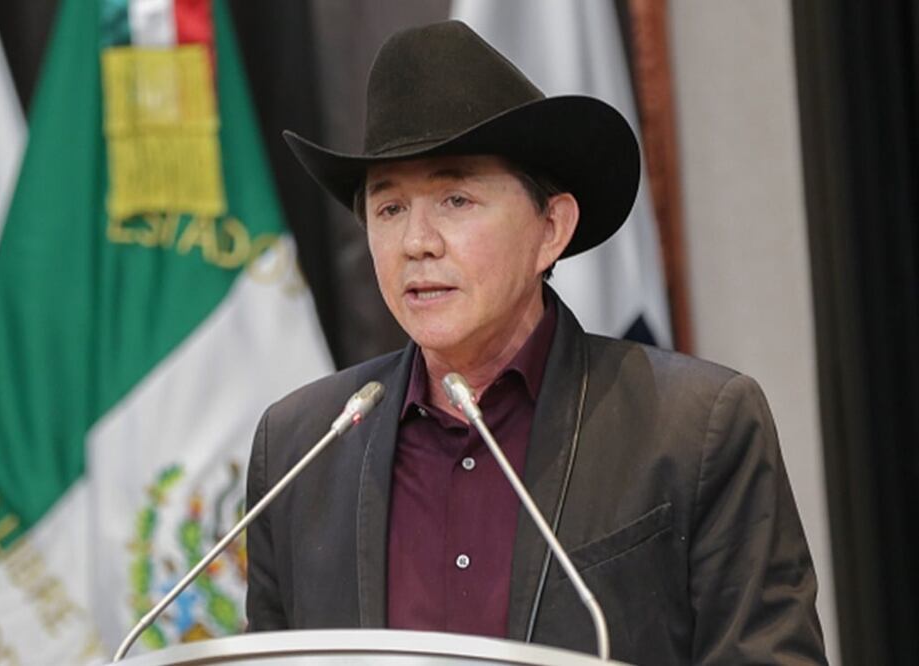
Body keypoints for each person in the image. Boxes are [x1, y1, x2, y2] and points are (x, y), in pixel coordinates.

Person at [245, 20, 826, 665]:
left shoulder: (696, 429)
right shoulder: (301, 447)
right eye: (389, 209)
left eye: (456, 199)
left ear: (552, 228)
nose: (417, 242)